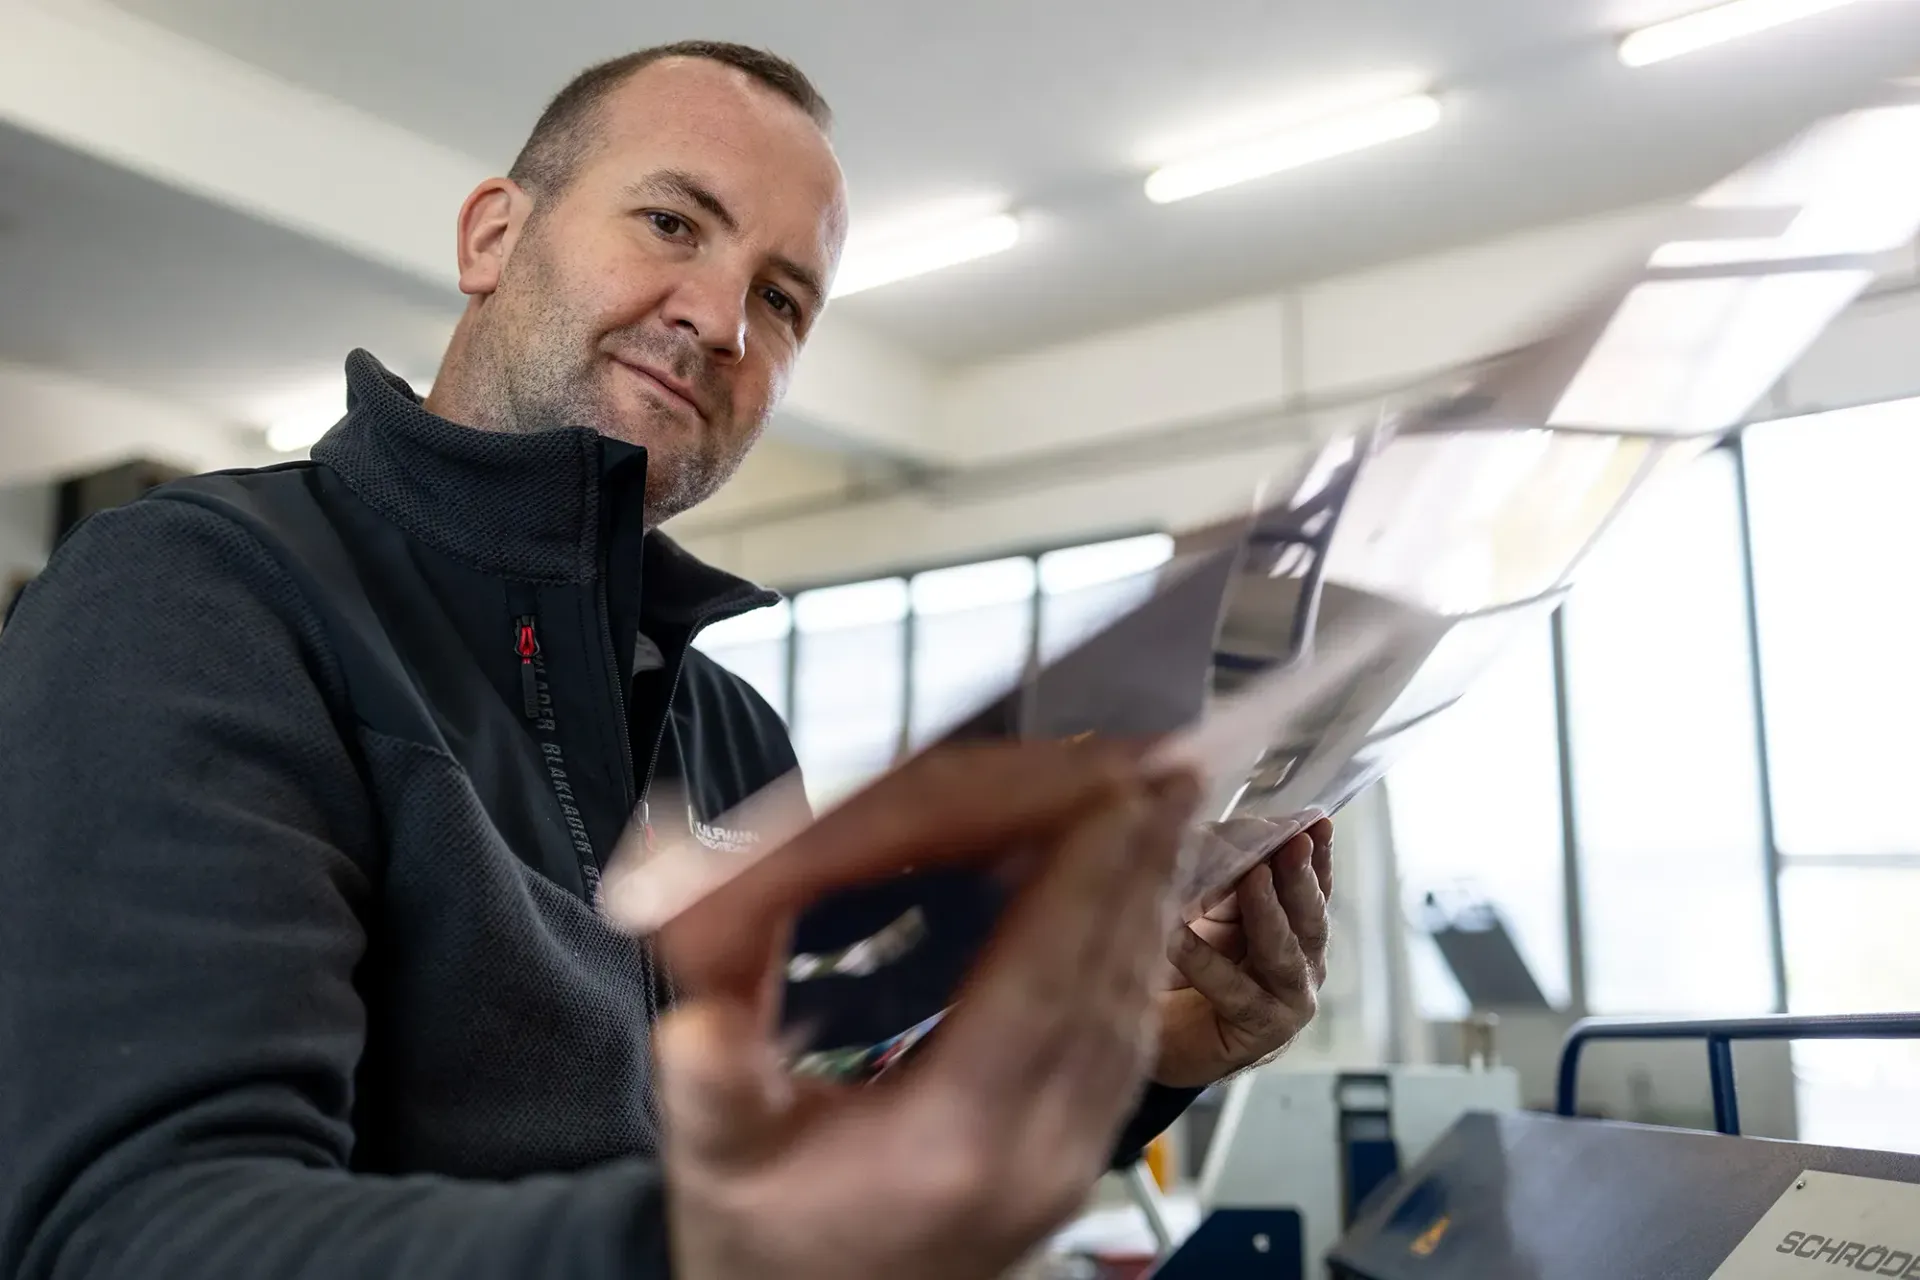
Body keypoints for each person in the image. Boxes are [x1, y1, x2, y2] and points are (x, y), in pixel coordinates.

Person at [0, 41, 1335, 1280]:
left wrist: (1136, 1056)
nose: (722, 318)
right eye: (673, 222)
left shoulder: (729, 732)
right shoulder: (199, 596)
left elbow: (822, 1144)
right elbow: (143, 1230)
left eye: (782, 297)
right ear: (492, 236)